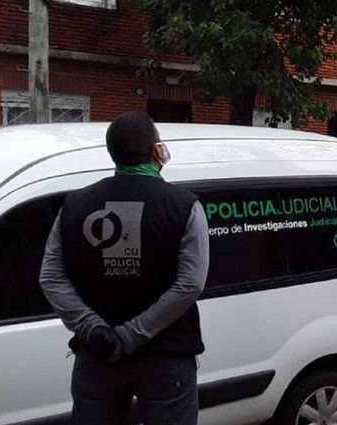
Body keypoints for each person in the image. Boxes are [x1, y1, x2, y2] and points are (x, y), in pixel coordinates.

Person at [39, 112, 209, 425]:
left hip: (98, 356)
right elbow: (190, 283)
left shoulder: (74, 205)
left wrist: (93, 328)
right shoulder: (184, 206)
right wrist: (132, 334)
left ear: (112, 153)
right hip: (166, 358)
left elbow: (51, 277)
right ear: (157, 150)